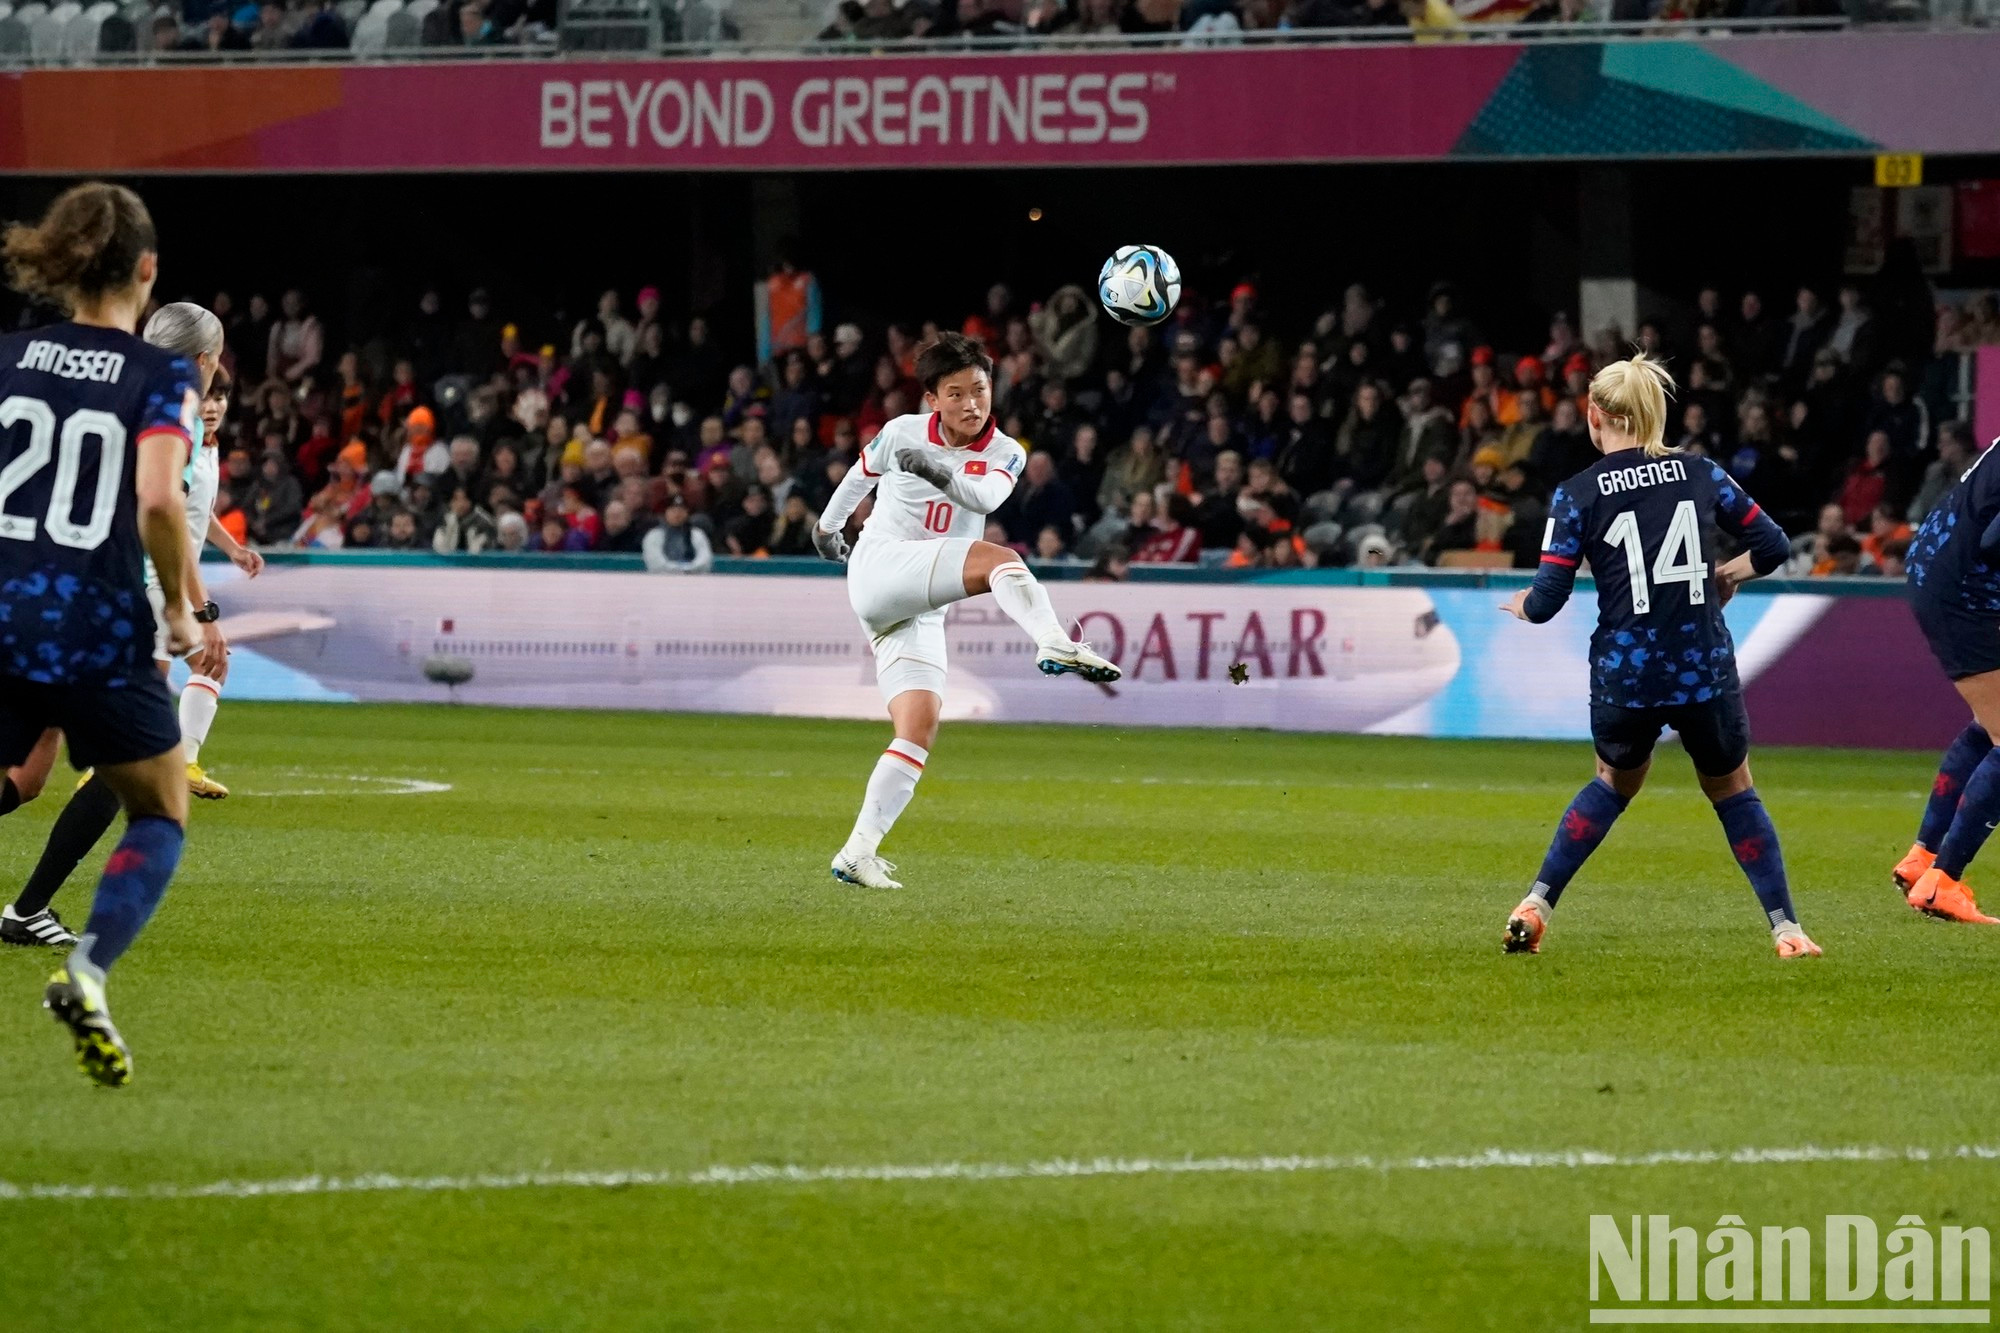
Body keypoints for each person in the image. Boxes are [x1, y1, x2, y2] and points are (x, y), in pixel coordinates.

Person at [1498, 354, 1813, 960]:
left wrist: (1521, 605)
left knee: (1613, 782)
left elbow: (1547, 602)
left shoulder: (1576, 495)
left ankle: (1537, 901)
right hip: (1702, 667)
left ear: (1596, 416)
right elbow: (1772, 545)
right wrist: (1730, 574)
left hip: (1626, 675)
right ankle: (1787, 930)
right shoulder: (1700, 474)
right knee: (1733, 790)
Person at [0, 183, 203, 1085]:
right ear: (147, 271)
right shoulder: (161, 376)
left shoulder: (6, 358)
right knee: (159, 805)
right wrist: (180, 607)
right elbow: (159, 498)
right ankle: (86, 968)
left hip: (1, 610)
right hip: (94, 625)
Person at [810, 333, 1119, 891]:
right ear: (932, 398)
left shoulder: (1006, 451)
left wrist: (931, 471)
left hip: (917, 607)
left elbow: (984, 501)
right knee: (1000, 560)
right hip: (882, 568)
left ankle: (857, 852)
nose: (972, 404)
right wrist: (827, 528)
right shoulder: (902, 430)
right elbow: (862, 473)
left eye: (980, 390)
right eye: (956, 393)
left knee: (918, 728)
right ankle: (1052, 639)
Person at [1892, 430, 2000, 923]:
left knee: (1989, 722)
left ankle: (1924, 858)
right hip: (1967, 583)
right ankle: (1944, 882)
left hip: (1938, 561)